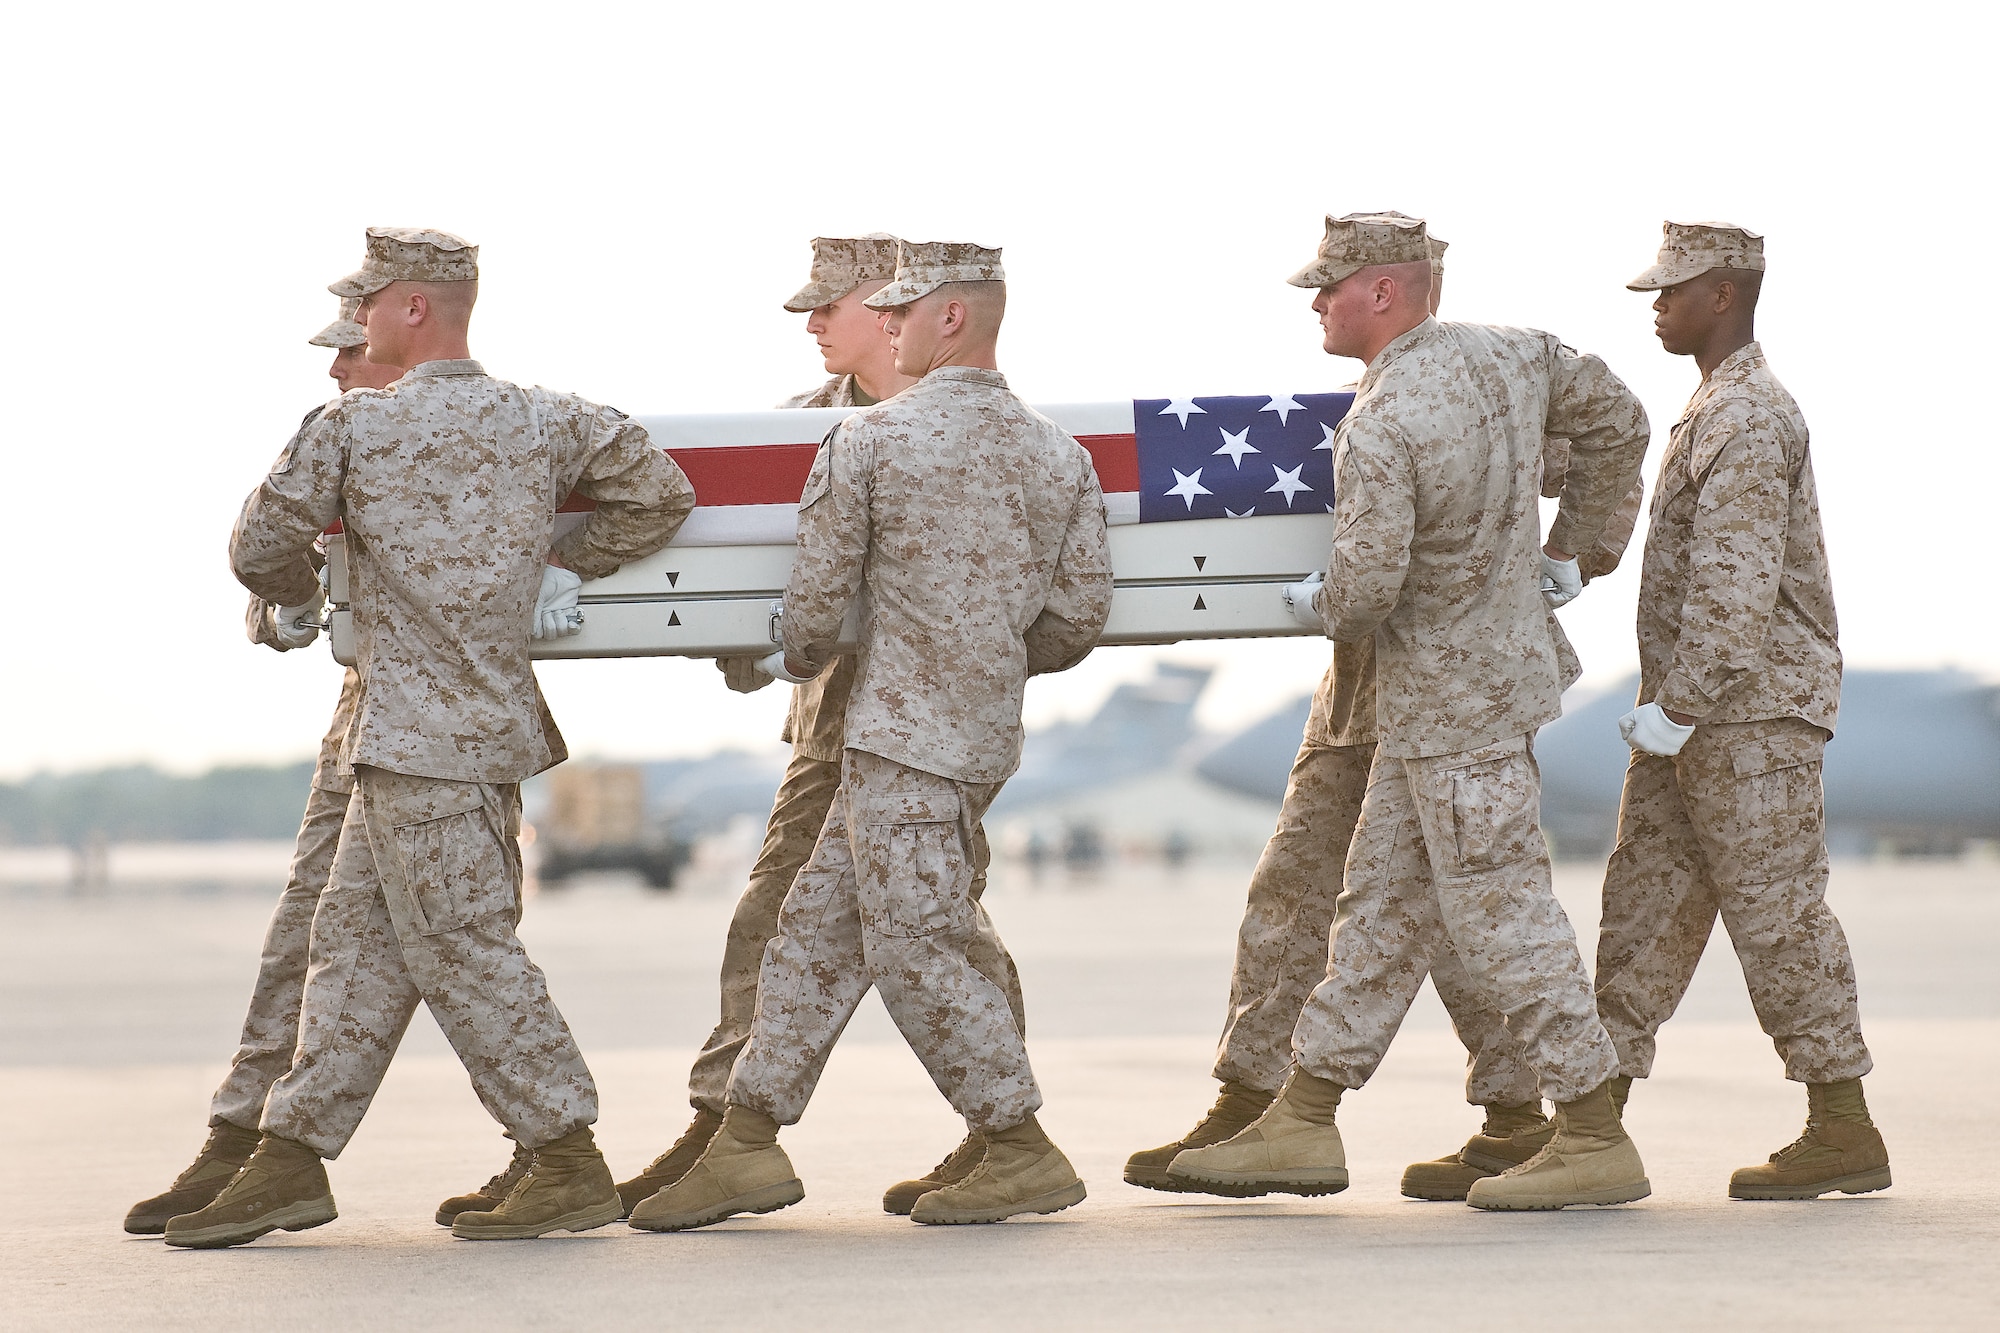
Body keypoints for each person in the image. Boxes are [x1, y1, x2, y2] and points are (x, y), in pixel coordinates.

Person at [166, 226, 696, 1248]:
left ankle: (565, 1156)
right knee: (353, 953)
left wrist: (299, 598)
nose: (355, 326)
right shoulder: (550, 418)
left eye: (367, 306)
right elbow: (661, 492)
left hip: (413, 736)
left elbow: (258, 545)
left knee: (465, 951)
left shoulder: (351, 428)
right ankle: (290, 1160)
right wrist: (567, 562)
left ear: (411, 307)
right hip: (461, 734)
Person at [1128, 230, 1648, 1205]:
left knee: (1502, 914)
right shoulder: (1518, 354)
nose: (1314, 305)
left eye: (1326, 290)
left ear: (1381, 291)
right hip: (1471, 684)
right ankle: (1301, 1117)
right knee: (1374, 906)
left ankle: (1587, 1128)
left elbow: (1364, 591)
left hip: (1443, 697)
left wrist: (1310, 603)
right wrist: (1573, 550)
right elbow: (1619, 420)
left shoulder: (1381, 419)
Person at [625, 240, 1113, 1231]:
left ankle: (1016, 1142)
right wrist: (985, 660)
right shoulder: (1058, 454)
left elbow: (811, 617)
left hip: (893, 731)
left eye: (900, 312)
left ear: (951, 318)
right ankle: (745, 1142)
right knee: (810, 932)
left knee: (916, 946)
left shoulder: (871, 442)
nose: (883, 328)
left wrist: (795, 655)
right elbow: (1077, 614)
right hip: (975, 734)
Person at [124, 301, 439, 1234]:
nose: (337, 370)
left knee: (430, 952)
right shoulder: (339, 450)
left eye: (348, 349)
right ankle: (242, 1140)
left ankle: (551, 1148)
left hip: (437, 733)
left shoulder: (466, 442)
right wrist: (287, 614)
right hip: (359, 720)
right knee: (300, 933)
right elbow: (277, 578)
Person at [1597, 221, 1887, 1200]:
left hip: (1745, 719)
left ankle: (1841, 1127)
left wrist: (1677, 706)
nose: (1655, 304)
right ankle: (1590, 1127)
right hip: (1701, 721)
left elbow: (1734, 583)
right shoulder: (1712, 407)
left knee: (1777, 922)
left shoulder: (1748, 414)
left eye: (1670, 290)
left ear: (1721, 293)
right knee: (1637, 919)